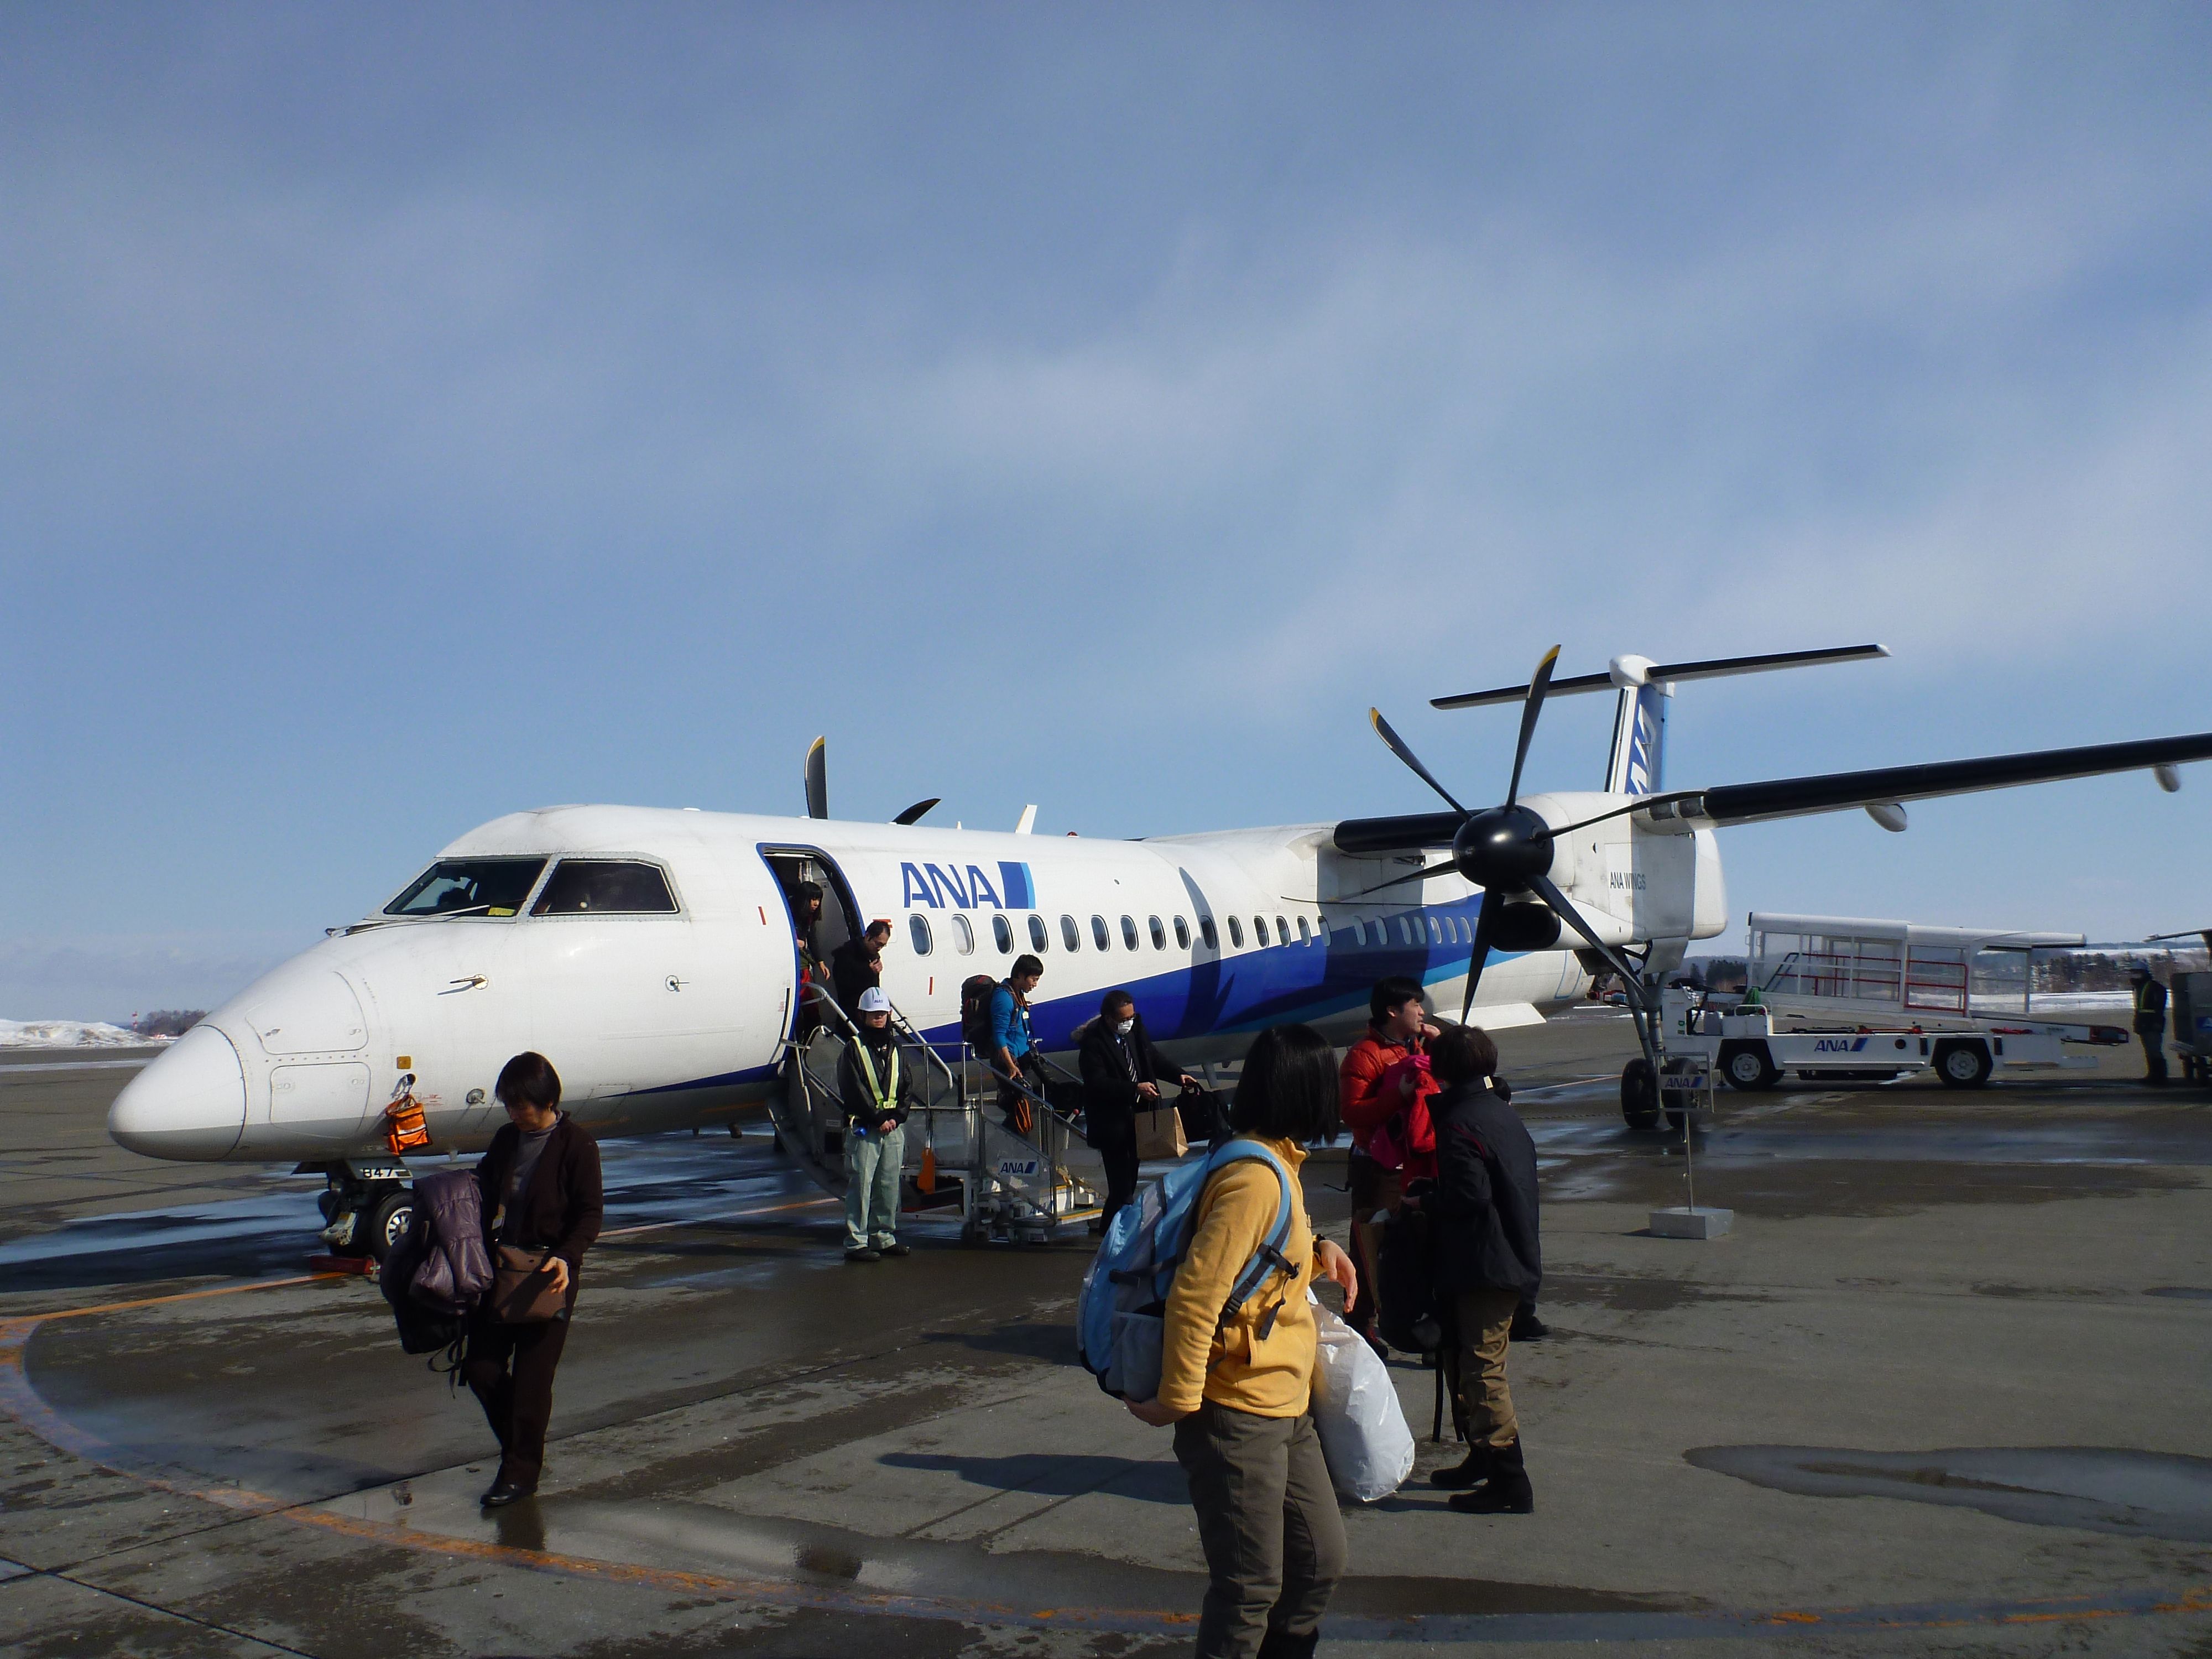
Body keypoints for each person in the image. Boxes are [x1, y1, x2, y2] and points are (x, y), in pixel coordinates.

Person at [1124, 1024, 1360, 1659]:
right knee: (1249, 1588)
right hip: (1235, 1409)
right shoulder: (1254, 1175)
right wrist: (1179, 1396)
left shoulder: (1278, 1162)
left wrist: (1317, 1254)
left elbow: (1257, 1265)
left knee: (1319, 1561)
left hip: (1286, 1404)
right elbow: (1199, 1292)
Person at [463, 1051, 603, 1509]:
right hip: (505, 1267)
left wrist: (567, 1256)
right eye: (509, 1104)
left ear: (547, 1101)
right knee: (481, 1368)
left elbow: (590, 1214)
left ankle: (520, 1473)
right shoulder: (508, 1138)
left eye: (522, 1105)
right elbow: (482, 1187)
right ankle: (525, 1449)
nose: (515, 1113)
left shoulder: (577, 1145)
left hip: (550, 1275)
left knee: (531, 1380)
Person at [1421, 1023, 1540, 1515]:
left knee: (1483, 1370)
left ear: (1441, 1071)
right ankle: (1482, 1456)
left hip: (1484, 1265)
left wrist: (1424, 1200)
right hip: (1507, 1256)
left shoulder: (1460, 1122)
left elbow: (1469, 1195)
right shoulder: (1500, 1113)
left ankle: (1511, 1480)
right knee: (1467, 1362)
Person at [1337, 977, 1438, 1348]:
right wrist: (1398, 1095)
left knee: (1422, 1243)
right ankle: (1360, 1321)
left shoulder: (1421, 1044)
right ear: (1393, 1012)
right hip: (1377, 1167)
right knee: (1370, 1244)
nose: (1422, 1011)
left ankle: (1419, 1322)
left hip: (1417, 1160)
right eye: (1416, 1005)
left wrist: (1440, 1045)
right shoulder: (1363, 1055)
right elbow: (1352, 1113)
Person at [1078, 989, 1199, 1232]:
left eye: (1131, 1017)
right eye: (1123, 1020)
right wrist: (1134, 1088)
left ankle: (1111, 1233)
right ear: (1109, 1019)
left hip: (1137, 1123)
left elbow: (1153, 1059)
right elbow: (1097, 1083)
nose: (1129, 1023)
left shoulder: (1134, 1034)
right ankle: (1112, 1235)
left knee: (1129, 1185)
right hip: (1112, 1127)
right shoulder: (1094, 1045)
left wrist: (1179, 1075)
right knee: (1122, 1190)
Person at [837, 987, 917, 1262]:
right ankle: (856, 1241)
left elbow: (907, 1085)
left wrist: (897, 1117)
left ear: (889, 1014)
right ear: (863, 1016)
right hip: (866, 1128)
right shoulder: (853, 1049)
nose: (879, 1018)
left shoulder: (897, 1048)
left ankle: (884, 1236)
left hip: (893, 1128)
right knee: (861, 1184)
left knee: (889, 1184)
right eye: (874, 1014)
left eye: (882, 1014)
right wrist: (878, 1117)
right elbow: (853, 1088)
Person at [989, 955, 1047, 1134]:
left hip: (1021, 1058)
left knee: (1024, 1110)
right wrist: (1011, 1066)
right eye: (1033, 979)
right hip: (1010, 1061)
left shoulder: (1018, 995)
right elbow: (999, 1036)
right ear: (1020, 976)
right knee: (1019, 1110)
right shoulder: (1004, 998)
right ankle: (1005, 1148)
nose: (1035, 984)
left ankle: (1016, 1148)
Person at [832, 919, 893, 1015]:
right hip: (852, 1012)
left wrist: (883, 1005)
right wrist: (868, 971)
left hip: (870, 1011)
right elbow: (844, 987)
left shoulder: (873, 956)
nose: (879, 948)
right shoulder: (846, 954)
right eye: (878, 944)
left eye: (883, 945)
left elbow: (875, 986)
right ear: (868, 936)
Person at [2130, 962, 2169, 1084]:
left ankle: (2160, 1077)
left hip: (2152, 1023)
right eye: (2133, 973)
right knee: (2149, 1051)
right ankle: (2153, 1075)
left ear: (2144, 973)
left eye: (2137, 972)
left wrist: (2157, 1022)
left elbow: (2159, 1007)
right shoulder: (2139, 987)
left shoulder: (2154, 987)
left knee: (2155, 1050)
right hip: (2144, 1023)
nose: (2135, 975)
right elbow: (2139, 1008)